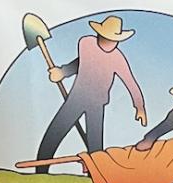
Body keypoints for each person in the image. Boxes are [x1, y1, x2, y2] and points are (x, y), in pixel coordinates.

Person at [36, 15, 147, 170]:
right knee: (54, 133)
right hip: (76, 98)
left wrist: (139, 106)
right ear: (99, 34)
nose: (110, 42)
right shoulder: (86, 43)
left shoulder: (118, 58)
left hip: (97, 105)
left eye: (114, 39)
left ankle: (94, 178)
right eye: (107, 38)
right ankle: (40, 172)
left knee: (95, 147)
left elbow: (130, 82)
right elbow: (81, 63)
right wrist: (62, 72)